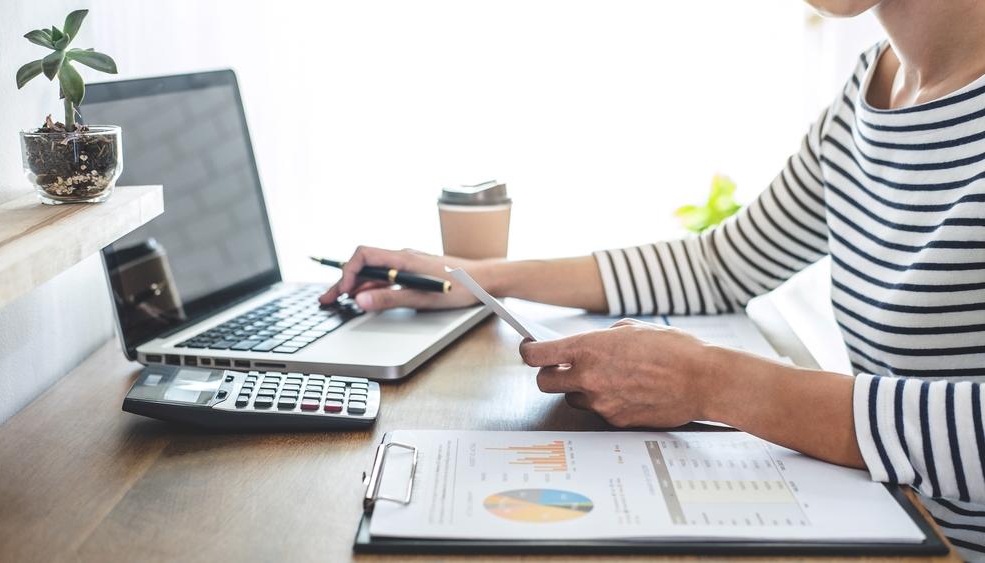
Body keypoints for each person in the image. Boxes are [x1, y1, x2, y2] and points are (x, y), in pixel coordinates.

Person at [320, 0, 985, 557]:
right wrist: (481, 276)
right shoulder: (875, 86)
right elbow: (722, 264)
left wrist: (711, 381)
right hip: (892, 521)